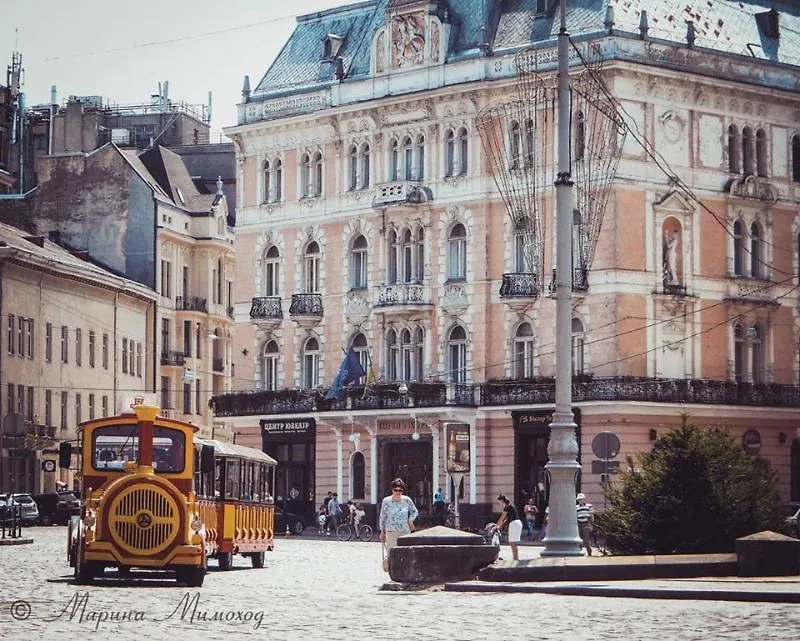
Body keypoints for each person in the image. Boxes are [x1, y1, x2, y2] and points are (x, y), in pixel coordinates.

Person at [379, 478, 419, 572]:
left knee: (405, 553)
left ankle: (404, 573)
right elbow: (382, 516)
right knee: (391, 553)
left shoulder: (407, 500)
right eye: (395, 490)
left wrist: (410, 520)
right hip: (391, 531)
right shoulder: (386, 501)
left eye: (400, 490)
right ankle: (394, 574)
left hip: (405, 531)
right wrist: (382, 532)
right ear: (392, 490)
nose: (398, 492)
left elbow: (415, 511)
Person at [494, 494, 523, 561]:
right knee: (513, 542)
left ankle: (515, 558)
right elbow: (506, 519)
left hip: (514, 524)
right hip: (517, 523)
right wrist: (500, 526)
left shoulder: (507, 507)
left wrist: (496, 526)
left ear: (502, 501)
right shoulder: (510, 506)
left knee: (512, 542)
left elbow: (502, 518)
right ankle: (515, 558)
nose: (499, 504)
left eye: (499, 502)